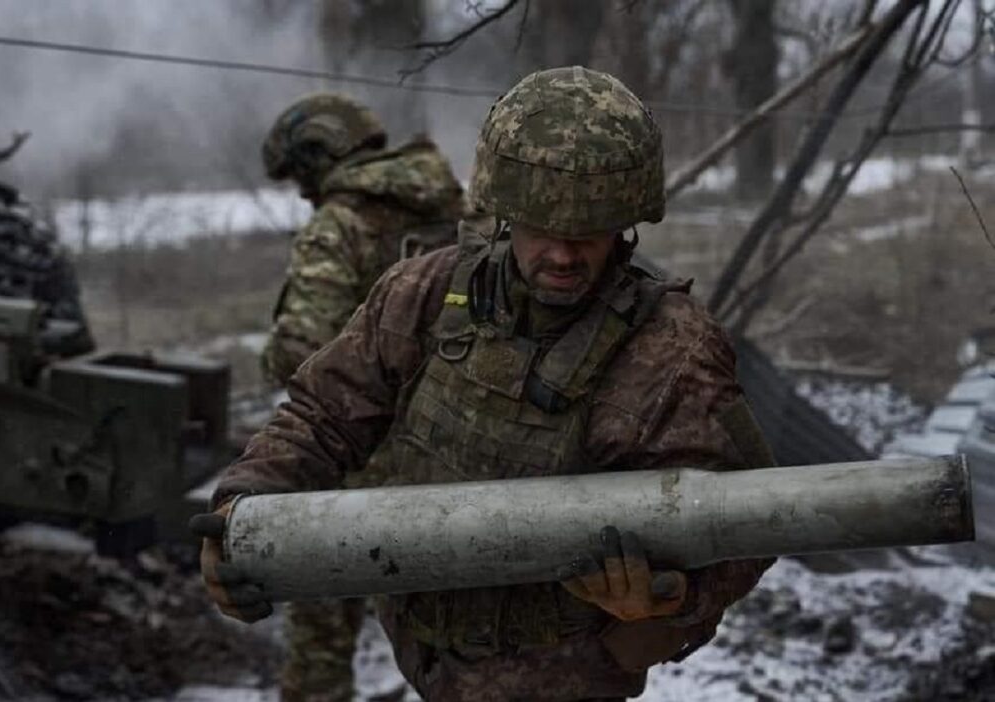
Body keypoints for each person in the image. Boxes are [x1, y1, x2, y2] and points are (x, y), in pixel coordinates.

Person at [196, 67, 774, 701]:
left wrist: (669, 599)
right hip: (427, 650)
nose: (562, 254)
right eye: (541, 227)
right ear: (503, 212)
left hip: (561, 676)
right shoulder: (422, 291)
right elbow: (320, 414)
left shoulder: (670, 348)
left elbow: (746, 522)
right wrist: (242, 506)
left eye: (587, 233)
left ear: (627, 223)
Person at [258, 92, 464, 702]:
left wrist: (269, 357)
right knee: (464, 646)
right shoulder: (460, 207)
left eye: (302, 175)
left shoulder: (340, 224)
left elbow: (305, 352)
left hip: (357, 466)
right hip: (461, 457)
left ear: (321, 155)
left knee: (319, 636)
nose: (303, 192)